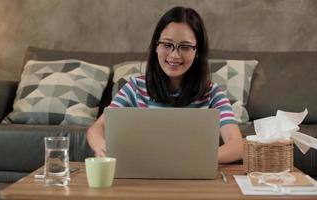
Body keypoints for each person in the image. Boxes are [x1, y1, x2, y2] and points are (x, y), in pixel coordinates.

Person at [87, 6, 243, 163]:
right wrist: (103, 147)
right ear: (156, 46)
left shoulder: (212, 93)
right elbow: (97, 128)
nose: (174, 55)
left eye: (185, 47)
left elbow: (237, 145)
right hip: (144, 174)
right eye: (167, 45)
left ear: (198, 52)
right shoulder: (135, 87)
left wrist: (193, 159)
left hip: (194, 178)